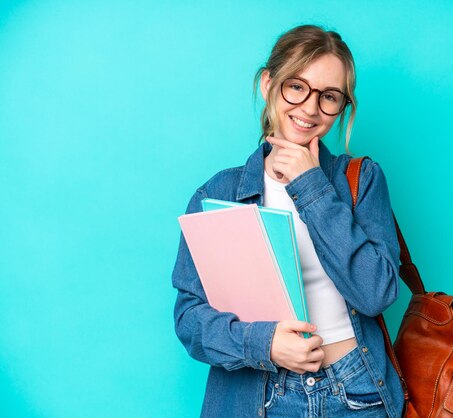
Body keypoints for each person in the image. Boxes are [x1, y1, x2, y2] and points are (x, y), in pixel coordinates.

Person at [172, 25, 404, 418]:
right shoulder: (218, 194)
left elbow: (376, 294)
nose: (310, 109)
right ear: (268, 84)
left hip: (356, 393)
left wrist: (310, 185)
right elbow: (190, 319)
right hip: (260, 395)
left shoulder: (361, 180)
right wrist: (264, 344)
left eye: (329, 96)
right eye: (297, 87)